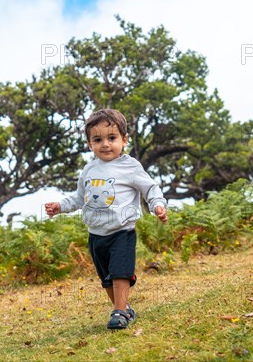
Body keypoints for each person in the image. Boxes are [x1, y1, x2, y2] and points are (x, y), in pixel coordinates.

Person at [45, 108, 168, 330]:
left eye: (112, 138)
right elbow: (79, 197)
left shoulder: (129, 166)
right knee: (107, 279)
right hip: (96, 235)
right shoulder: (89, 169)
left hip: (122, 232)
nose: (105, 144)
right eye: (98, 139)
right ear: (90, 144)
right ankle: (125, 308)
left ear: (124, 139)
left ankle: (119, 312)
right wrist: (61, 206)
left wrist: (158, 204)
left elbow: (150, 188)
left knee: (121, 273)